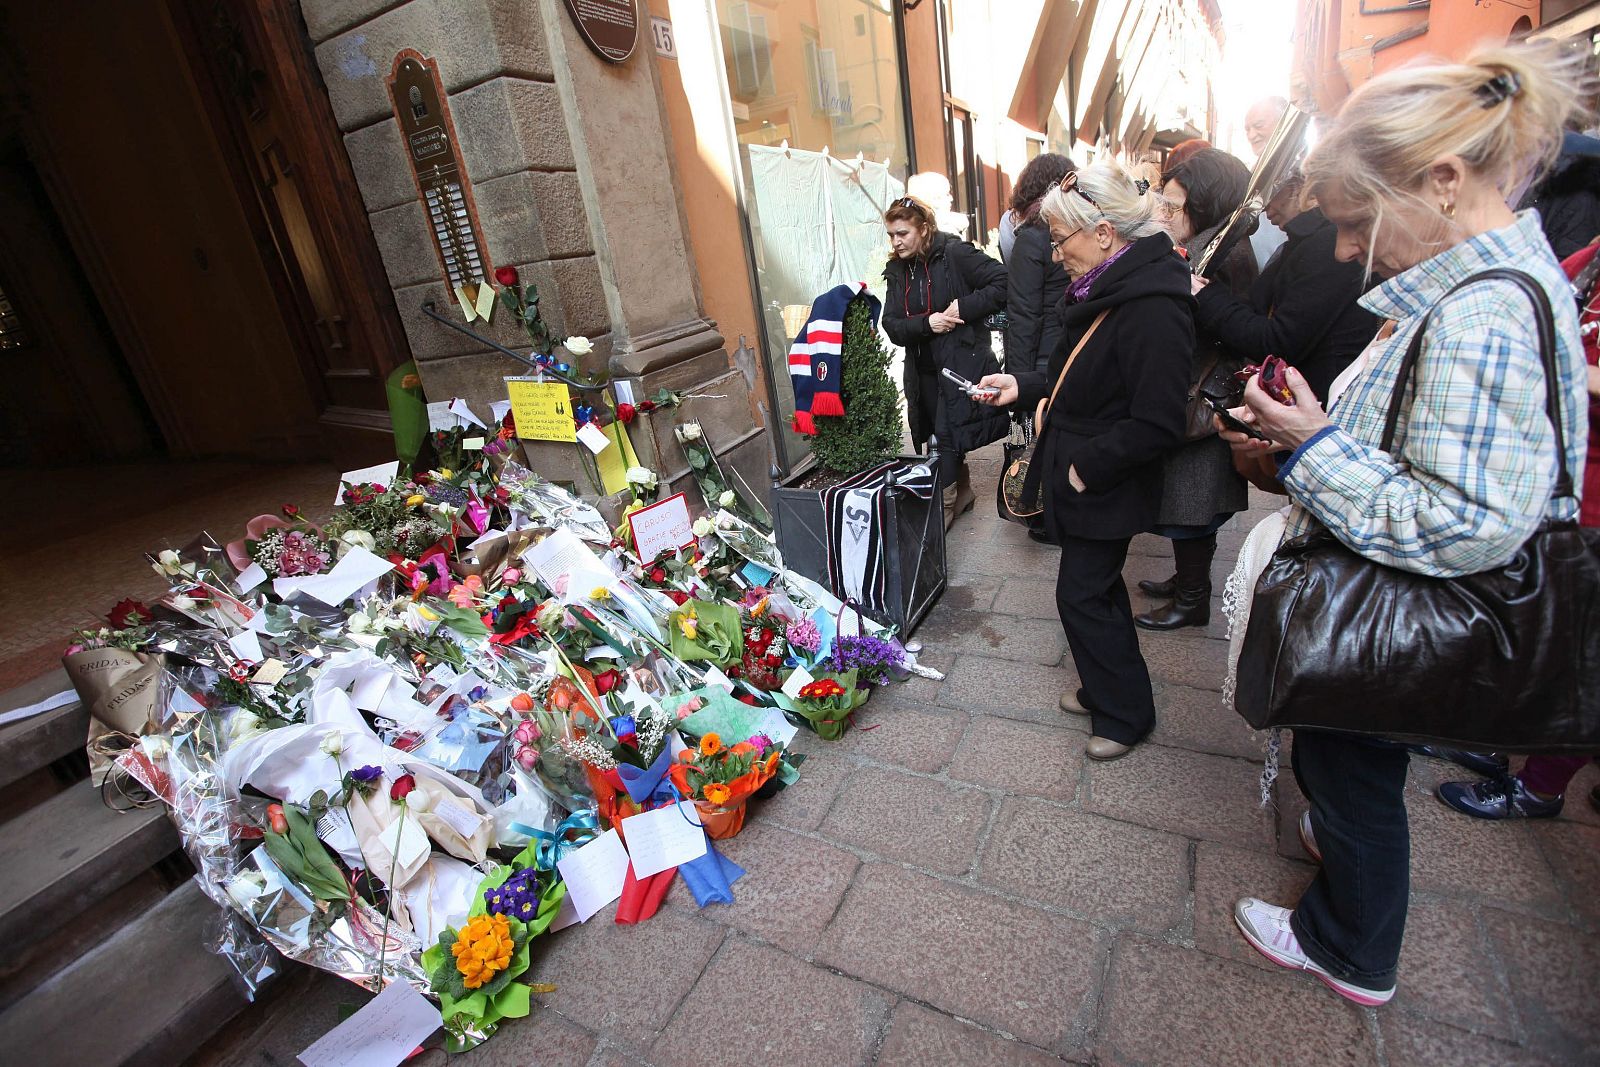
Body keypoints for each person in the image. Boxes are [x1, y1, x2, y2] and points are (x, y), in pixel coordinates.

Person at [1220, 41, 1590, 1006]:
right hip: (1399, 599)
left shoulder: (1479, 315)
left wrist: (1311, 446)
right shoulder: (1479, 287)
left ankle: (1348, 945)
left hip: (1402, 612)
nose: (1347, 250)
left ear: (1441, 181)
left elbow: (1463, 520)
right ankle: (1346, 859)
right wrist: (1309, 431)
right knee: (1352, 769)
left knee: (1352, 768)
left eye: (1356, 221)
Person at [973, 162, 1193, 761]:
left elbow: (1158, 421)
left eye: (1058, 238)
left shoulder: (1151, 305)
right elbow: (1077, 373)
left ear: (1102, 233)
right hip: (1089, 477)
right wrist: (1021, 385)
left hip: (1104, 480)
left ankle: (1125, 715)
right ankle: (1107, 691)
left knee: (1082, 595)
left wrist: (1086, 468)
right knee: (1094, 589)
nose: (1053, 254)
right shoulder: (1110, 285)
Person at [1433, 232, 1600, 820]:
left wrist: (1559, 368)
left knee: (1579, 655)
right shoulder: (1591, 258)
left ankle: (1541, 788)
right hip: (1553, 480)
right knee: (1530, 631)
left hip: (1593, 498)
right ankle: (1496, 742)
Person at [1135, 149, 1255, 631]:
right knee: (1189, 499)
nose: (1165, 213)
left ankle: (1193, 598)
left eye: (1174, 205)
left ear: (1204, 204)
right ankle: (1187, 581)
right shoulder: (1212, 243)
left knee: (1194, 502)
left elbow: (1227, 323)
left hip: (1206, 392)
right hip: (1199, 386)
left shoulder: (1221, 253)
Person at [880, 195, 1010, 530]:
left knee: (946, 434)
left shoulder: (954, 254)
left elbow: (1002, 281)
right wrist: (928, 323)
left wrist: (963, 308)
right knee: (937, 433)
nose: (896, 241)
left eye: (903, 233)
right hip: (922, 368)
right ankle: (962, 490)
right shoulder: (898, 269)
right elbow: (891, 324)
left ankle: (945, 503)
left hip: (960, 362)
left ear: (923, 229)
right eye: (892, 234)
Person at [1244, 96, 1291, 269]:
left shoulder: (1300, 168)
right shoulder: (1249, 175)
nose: (1251, 135)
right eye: (1247, 129)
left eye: (1259, 126)